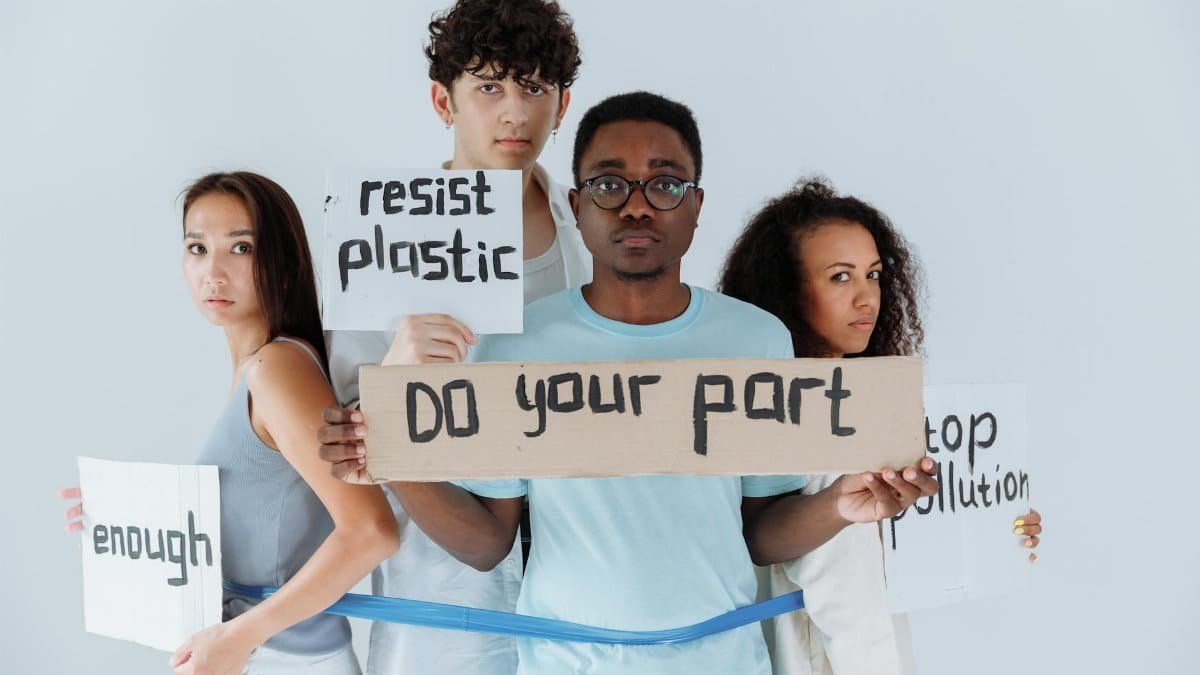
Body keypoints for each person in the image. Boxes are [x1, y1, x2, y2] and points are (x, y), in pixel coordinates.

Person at [318, 92, 940, 675]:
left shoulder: (757, 341)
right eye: (610, 184)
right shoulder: (514, 344)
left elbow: (759, 533)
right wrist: (390, 460)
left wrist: (839, 506)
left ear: (697, 206)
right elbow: (488, 542)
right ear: (577, 205)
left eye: (665, 184)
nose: (637, 206)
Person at [322, 1, 589, 673]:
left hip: (583, 574)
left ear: (562, 104)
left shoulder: (590, 225)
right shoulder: (382, 234)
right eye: (490, 86)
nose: (515, 113)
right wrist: (395, 371)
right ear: (444, 101)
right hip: (442, 596)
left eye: (535, 88)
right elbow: (340, 432)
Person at [62, 171, 399, 675]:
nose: (213, 272)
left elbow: (372, 532)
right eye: (197, 248)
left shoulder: (276, 369)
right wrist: (123, 522)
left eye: (240, 249)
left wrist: (240, 638)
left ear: (283, 265)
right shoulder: (257, 370)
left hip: (287, 659)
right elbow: (262, 525)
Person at [719, 177, 1044, 675]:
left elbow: (901, 549)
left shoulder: (813, 400)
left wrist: (995, 527)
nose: (867, 298)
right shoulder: (828, 420)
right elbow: (848, 602)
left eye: (873, 275)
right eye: (840, 277)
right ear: (784, 287)